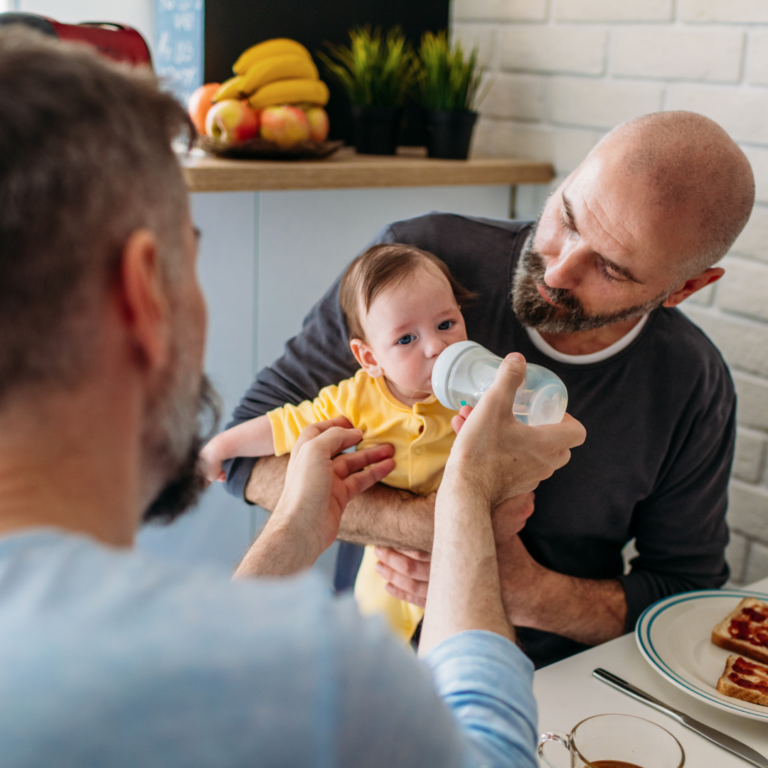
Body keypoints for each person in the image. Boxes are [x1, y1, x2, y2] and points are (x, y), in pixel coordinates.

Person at [0, 28, 587, 766]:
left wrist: (291, 536)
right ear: (142, 293)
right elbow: (492, 753)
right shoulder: (319, 685)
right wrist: (470, 488)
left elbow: (194, 666)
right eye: (194, 255)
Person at [226, 110, 756, 667]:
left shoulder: (690, 384)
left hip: (547, 682)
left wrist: (529, 593)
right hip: (366, 657)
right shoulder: (419, 263)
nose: (556, 272)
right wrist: (437, 529)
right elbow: (244, 460)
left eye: (611, 269)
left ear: (686, 288)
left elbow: (686, 600)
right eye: (567, 217)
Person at [203, 243, 520, 642]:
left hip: (468, 548)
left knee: (467, 637)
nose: (435, 347)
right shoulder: (355, 399)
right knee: (374, 630)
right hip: (389, 554)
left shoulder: (476, 385)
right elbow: (284, 427)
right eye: (406, 339)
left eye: (446, 324)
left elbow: (515, 450)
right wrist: (221, 447)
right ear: (369, 358)